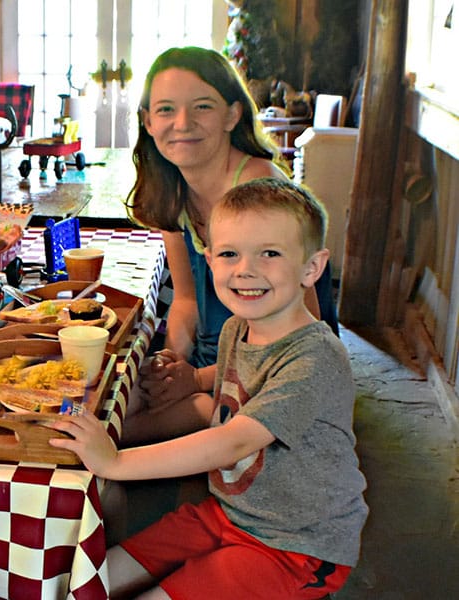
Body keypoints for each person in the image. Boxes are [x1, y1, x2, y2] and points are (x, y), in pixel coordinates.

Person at [52, 178, 367, 599]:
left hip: (297, 544)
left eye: (269, 253)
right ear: (210, 259)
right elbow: (216, 404)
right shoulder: (237, 329)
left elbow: (232, 442)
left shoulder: (316, 357)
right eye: (229, 254)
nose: (245, 270)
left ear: (312, 267)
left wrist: (114, 461)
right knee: (91, 579)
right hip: (228, 513)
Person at [124, 46, 338, 442]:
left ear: (232, 115)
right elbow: (187, 300)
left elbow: (299, 332)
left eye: (202, 107)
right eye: (166, 109)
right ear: (148, 122)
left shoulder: (259, 189)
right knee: (123, 399)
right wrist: (173, 364)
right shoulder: (171, 189)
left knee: (122, 429)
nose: (182, 123)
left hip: (270, 367)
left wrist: (196, 380)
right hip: (216, 355)